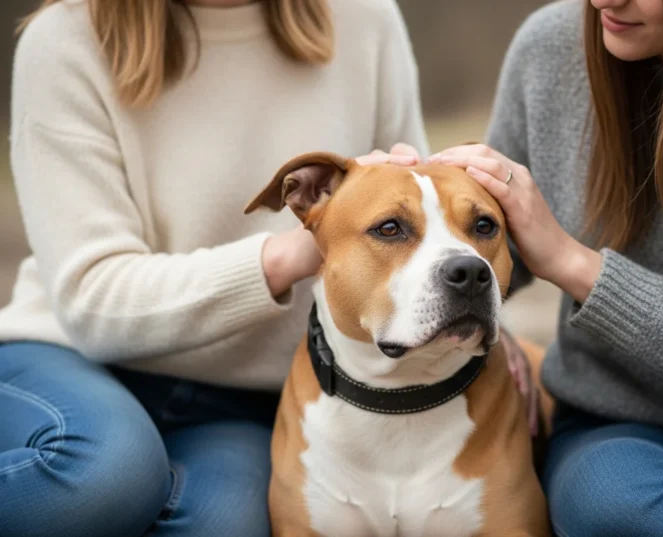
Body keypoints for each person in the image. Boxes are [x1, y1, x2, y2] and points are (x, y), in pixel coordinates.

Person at [0, 0, 432, 535]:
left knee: (221, 525)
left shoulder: (366, 19)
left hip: (241, 399)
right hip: (71, 356)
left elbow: (423, 219)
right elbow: (93, 297)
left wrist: (485, 340)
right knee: (105, 477)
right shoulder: (64, 39)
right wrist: (285, 256)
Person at [413, 0, 663, 535]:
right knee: (602, 500)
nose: (604, 1)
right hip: (618, 432)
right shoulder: (549, 48)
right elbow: (503, 250)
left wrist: (574, 264)